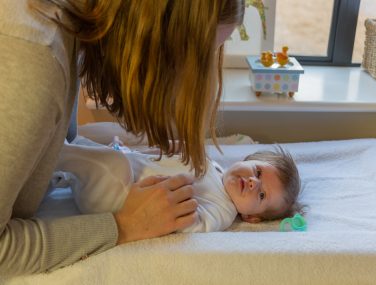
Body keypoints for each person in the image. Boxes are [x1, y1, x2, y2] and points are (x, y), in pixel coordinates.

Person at [0, 0, 245, 276]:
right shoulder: (35, 61)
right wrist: (123, 225)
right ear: (155, 39)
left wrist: (129, 162)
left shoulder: (65, 32)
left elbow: (60, 149)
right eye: (196, 63)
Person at [54, 140, 302, 232]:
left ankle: (53, 153)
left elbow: (194, 224)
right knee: (93, 149)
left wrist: (187, 213)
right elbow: (164, 158)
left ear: (251, 217)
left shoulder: (223, 211)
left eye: (261, 194)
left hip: (121, 199)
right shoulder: (211, 164)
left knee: (111, 164)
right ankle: (58, 175)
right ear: (244, 160)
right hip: (121, 172)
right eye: (257, 171)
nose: (252, 181)